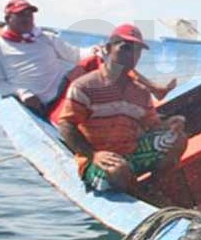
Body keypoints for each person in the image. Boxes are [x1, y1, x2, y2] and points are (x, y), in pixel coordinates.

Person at [0, 0, 172, 119]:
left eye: (29, 14)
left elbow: (75, 55)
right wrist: (23, 93)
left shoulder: (46, 38)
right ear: (8, 18)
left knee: (102, 59)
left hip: (64, 87)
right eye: (20, 15)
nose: (27, 18)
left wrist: (95, 50)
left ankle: (152, 91)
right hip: (41, 102)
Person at [55, 24, 187, 194]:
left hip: (131, 154)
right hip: (98, 160)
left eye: (136, 51)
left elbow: (152, 126)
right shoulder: (85, 86)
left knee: (178, 139)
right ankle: (142, 196)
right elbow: (66, 125)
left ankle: (152, 187)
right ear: (109, 49)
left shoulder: (140, 91)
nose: (130, 55)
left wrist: (170, 124)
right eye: (125, 48)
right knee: (118, 170)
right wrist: (93, 155)